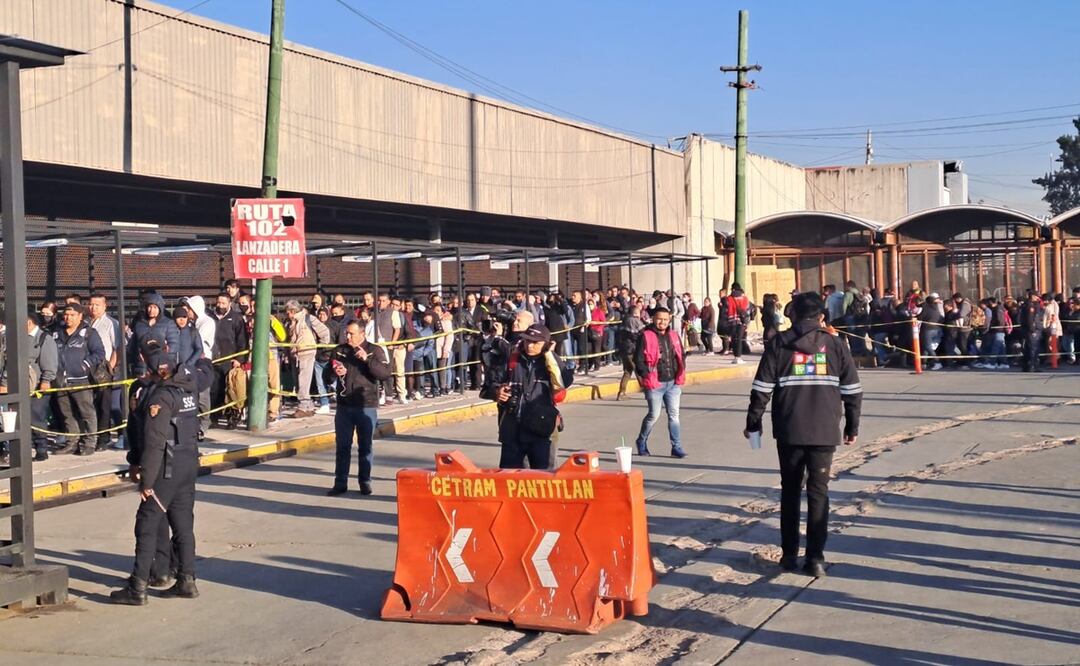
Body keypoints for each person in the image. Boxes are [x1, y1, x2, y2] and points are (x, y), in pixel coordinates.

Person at [744, 291, 862, 577]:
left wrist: (753, 422)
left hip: (789, 430)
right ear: (821, 316)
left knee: (791, 491)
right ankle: (816, 559)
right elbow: (852, 391)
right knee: (819, 493)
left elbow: (761, 389)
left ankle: (788, 555)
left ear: (793, 315)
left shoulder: (779, 344)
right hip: (824, 431)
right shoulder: (835, 345)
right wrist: (851, 426)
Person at [110, 350, 202, 605]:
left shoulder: (160, 397)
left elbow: (155, 443)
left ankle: (137, 587)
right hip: (188, 465)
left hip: (166, 468)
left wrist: (146, 482)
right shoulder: (187, 391)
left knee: (146, 524)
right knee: (183, 524)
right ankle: (187, 579)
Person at [325, 322, 391, 496]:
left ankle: (365, 481)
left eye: (351, 334)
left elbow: (384, 373)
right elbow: (326, 376)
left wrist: (367, 360)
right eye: (346, 333)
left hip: (366, 405)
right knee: (343, 446)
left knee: (365, 446)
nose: (347, 337)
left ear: (362, 334)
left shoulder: (374, 350)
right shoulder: (340, 350)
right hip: (344, 406)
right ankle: (340, 482)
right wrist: (334, 372)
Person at [490, 324, 568, 469]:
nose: (530, 345)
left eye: (535, 342)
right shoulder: (512, 357)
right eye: (527, 341)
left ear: (545, 344)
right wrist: (497, 391)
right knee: (509, 481)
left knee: (543, 481)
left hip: (540, 431)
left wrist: (550, 354)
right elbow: (490, 384)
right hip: (512, 430)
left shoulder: (550, 362)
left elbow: (566, 380)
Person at [52, 303, 106, 456]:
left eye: (72, 315)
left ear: (80, 316)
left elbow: (99, 352)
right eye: (66, 315)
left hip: (81, 380)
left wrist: (85, 364)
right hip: (61, 380)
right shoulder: (57, 332)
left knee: (87, 412)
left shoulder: (89, 332)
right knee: (66, 413)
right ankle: (72, 442)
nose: (68, 318)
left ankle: (90, 443)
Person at [633, 307, 687, 458]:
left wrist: (681, 370)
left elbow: (681, 355)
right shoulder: (645, 336)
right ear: (653, 319)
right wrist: (646, 375)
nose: (662, 322)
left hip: (673, 383)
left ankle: (676, 447)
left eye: (665, 319)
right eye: (659, 319)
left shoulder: (674, 335)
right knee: (653, 415)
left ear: (669, 320)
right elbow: (638, 360)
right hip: (655, 384)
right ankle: (641, 441)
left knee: (674, 415)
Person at [210, 293, 248, 423]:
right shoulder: (211, 317)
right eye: (218, 303)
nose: (220, 306)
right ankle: (214, 416)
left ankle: (232, 417)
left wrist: (239, 359)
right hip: (214, 360)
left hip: (230, 360)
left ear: (229, 304)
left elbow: (242, 340)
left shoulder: (236, 319)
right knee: (215, 390)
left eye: (223, 303)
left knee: (232, 389)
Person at [616, 305, 646, 400]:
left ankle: (621, 392)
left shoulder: (624, 320)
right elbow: (642, 333)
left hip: (624, 349)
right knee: (638, 369)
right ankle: (646, 389)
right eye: (638, 313)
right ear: (635, 313)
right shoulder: (635, 320)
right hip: (632, 349)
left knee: (627, 371)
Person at [726, 283, 751, 365]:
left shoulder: (729, 298)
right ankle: (739, 357)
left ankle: (735, 356)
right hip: (741, 321)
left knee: (733, 339)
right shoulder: (744, 298)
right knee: (739, 339)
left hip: (732, 321)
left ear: (733, 289)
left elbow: (726, 309)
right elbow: (747, 310)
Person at [1019, 292, 1044, 372]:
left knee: (1028, 348)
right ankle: (1032, 366)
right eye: (1036, 296)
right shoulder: (1030, 306)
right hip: (1032, 330)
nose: (1038, 298)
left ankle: (1028, 366)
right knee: (1033, 349)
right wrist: (1032, 329)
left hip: (1029, 330)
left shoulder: (1027, 304)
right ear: (1033, 296)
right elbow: (1030, 319)